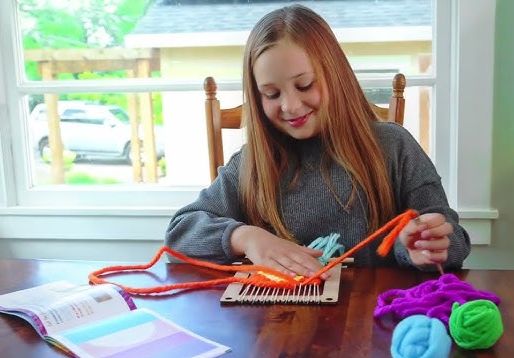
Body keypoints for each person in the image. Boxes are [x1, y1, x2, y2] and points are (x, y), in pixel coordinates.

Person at [165, 4, 471, 279]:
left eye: (305, 85)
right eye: (272, 94)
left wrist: (422, 248)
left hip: (373, 326)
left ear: (334, 76)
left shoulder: (394, 146)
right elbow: (180, 232)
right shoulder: (251, 165)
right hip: (280, 329)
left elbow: (454, 238)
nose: (291, 106)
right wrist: (246, 237)